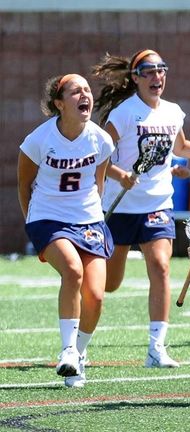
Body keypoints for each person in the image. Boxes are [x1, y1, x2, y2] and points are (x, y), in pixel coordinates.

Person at [91, 49, 190, 368]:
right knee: (108, 284)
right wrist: (120, 175)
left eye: (161, 70)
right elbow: (101, 152)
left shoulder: (173, 112)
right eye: (148, 71)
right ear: (135, 78)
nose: (156, 76)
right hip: (120, 206)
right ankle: (80, 331)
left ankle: (156, 348)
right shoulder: (124, 113)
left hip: (157, 203)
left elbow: (182, 147)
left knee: (160, 266)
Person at [17, 73, 115, 388]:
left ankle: (78, 358)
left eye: (87, 90)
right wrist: (34, 225)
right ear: (59, 104)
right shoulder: (38, 140)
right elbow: (24, 184)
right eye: (75, 91)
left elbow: (98, 181)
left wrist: (95, 214)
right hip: (47, 217)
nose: (84, 95)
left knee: (96, 295)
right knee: (72, 271)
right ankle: (68, 348)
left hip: (88, 220)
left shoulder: (101, 139)